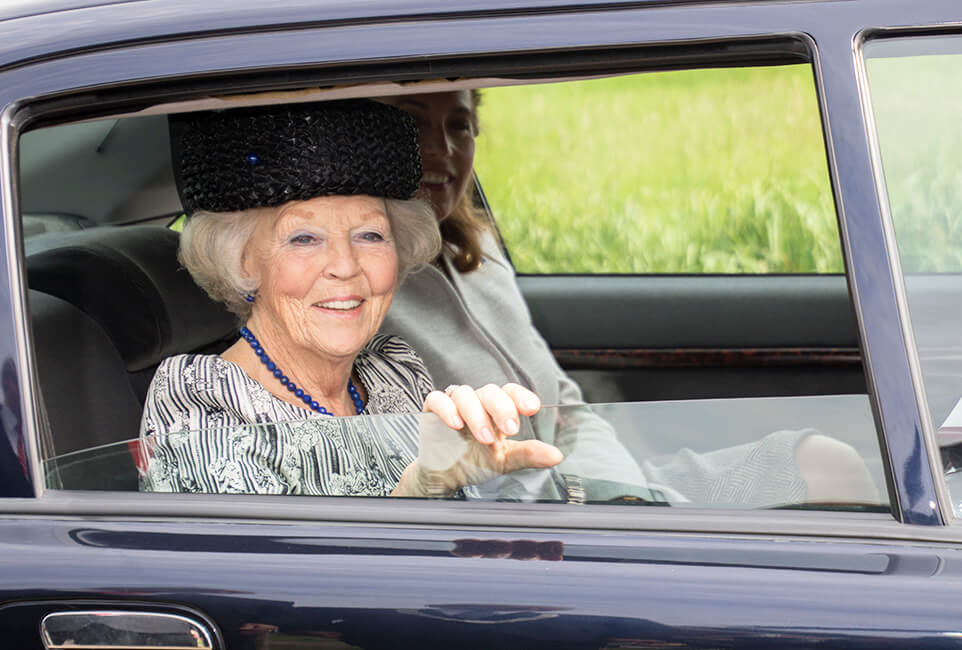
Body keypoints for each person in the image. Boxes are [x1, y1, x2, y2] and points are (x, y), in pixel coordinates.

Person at [378, 90, 878, 507]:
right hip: (534, 519)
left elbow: (566, 406)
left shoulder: (477, 246)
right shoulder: (359, 289)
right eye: (415, 124)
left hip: (604, 486)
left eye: (460, 126)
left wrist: (626, 494)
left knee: (827, 461)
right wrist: (617, 508)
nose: (442, 149)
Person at [139, 99, 562, 497]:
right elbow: (270, 572)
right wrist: (418, 491)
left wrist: (482, 482)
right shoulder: (200, 403)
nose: (345, 265)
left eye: (370, 235)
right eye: (304, 238)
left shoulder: (393, 370)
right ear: (243, 261)